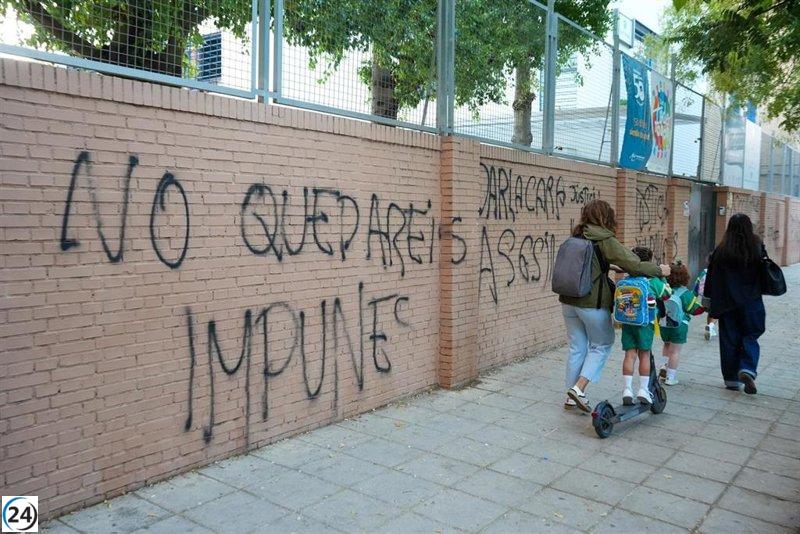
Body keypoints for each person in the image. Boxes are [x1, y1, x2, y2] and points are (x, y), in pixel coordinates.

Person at [559, 200, 670, 412]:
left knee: (577, 347)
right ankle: (579, 388)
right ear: (605, 218)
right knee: (602, 344)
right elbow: (634, 263)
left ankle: (571, 397)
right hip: (591, 303)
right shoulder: (603, 238)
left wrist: (607, 265)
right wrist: (659, 270)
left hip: (568, 302)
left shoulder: (577, 235)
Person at [705, 214, 766, 394]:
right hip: (751, 301)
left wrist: (709, 300)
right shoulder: (756, 247)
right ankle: (747, 368)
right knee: (751, 334)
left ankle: (731, 379)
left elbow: (711, 276)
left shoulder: (722, 250)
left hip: (727, 303)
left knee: (729, 339)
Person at [620, 247, 671, 405]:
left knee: (629, 354)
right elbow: (667, 294)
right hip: (645, 324)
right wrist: (662, 277)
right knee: (644, 354)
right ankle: (643, 389)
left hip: (628, 322)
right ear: (649, 262)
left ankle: (627, 389)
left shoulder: (627, 279)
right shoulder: (654, 281)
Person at [658, 260, 705, 385]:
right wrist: (705, 307)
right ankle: (671, 378)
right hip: (679, 326)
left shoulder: (663, 290)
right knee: (675, 351)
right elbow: (694, 310)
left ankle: (663, 366)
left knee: (666, 346)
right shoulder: (685, 293)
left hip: (663, 324)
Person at [693, 255, 717, 340]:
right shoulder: (720, 272)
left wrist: (694, 296)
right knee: (716, 314)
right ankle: (711, 326)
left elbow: (697, 282)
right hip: (716, 298)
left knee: (710, 313)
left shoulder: (705, 271)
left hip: (705, 297)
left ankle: (709, 329)